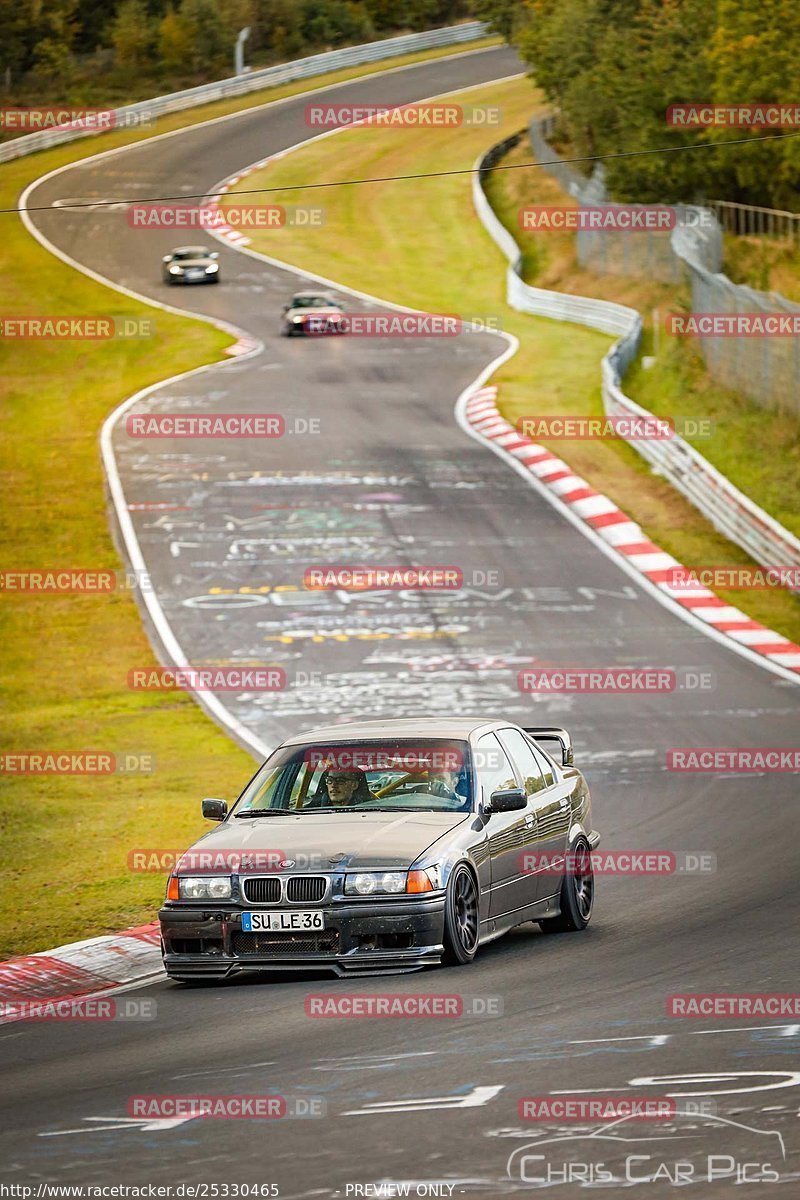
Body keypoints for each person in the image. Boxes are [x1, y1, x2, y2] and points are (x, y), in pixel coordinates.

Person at [305, 766, 374, 808]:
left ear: (354, 785)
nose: (333, 785)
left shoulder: (372, 812)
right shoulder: (305, 814)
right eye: (330, 780)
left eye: (340, 781)